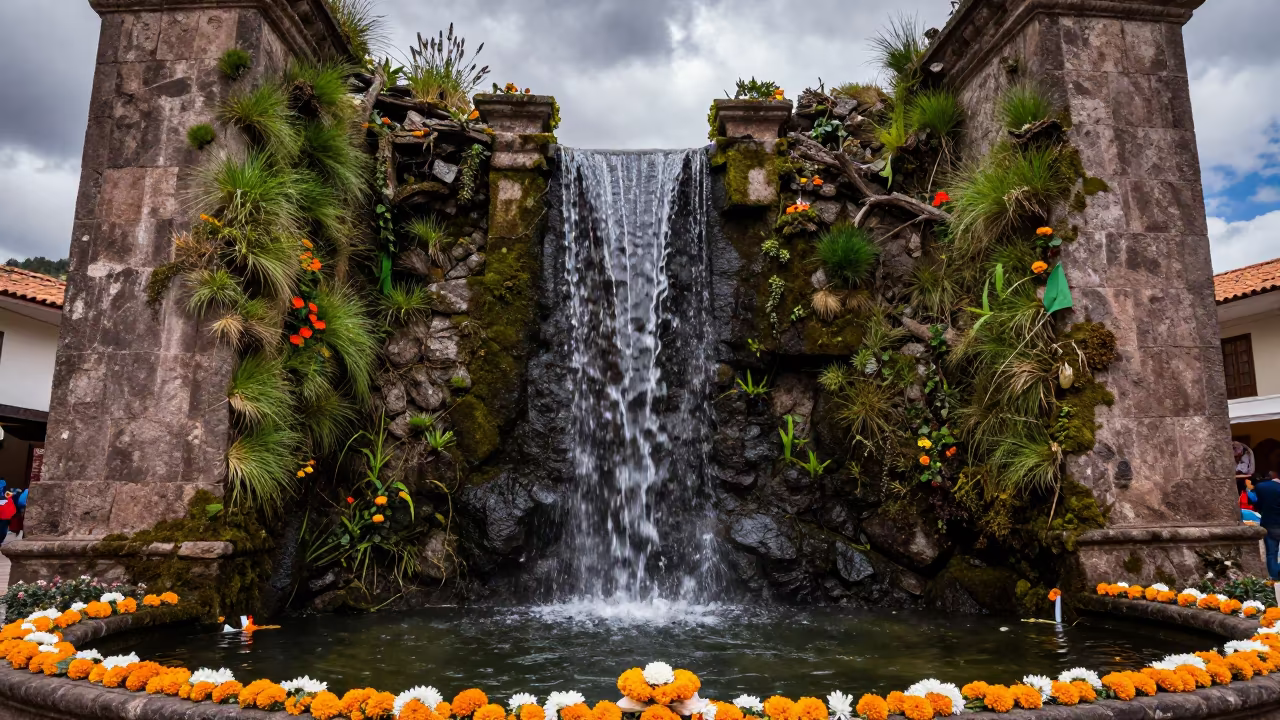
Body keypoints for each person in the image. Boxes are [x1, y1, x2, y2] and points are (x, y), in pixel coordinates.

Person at [1253, 470, 1280, 579]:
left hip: (1270, 523)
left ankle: (1275, 580)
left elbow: (1257, 504)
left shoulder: (1262, 487)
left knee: (1271, 554)